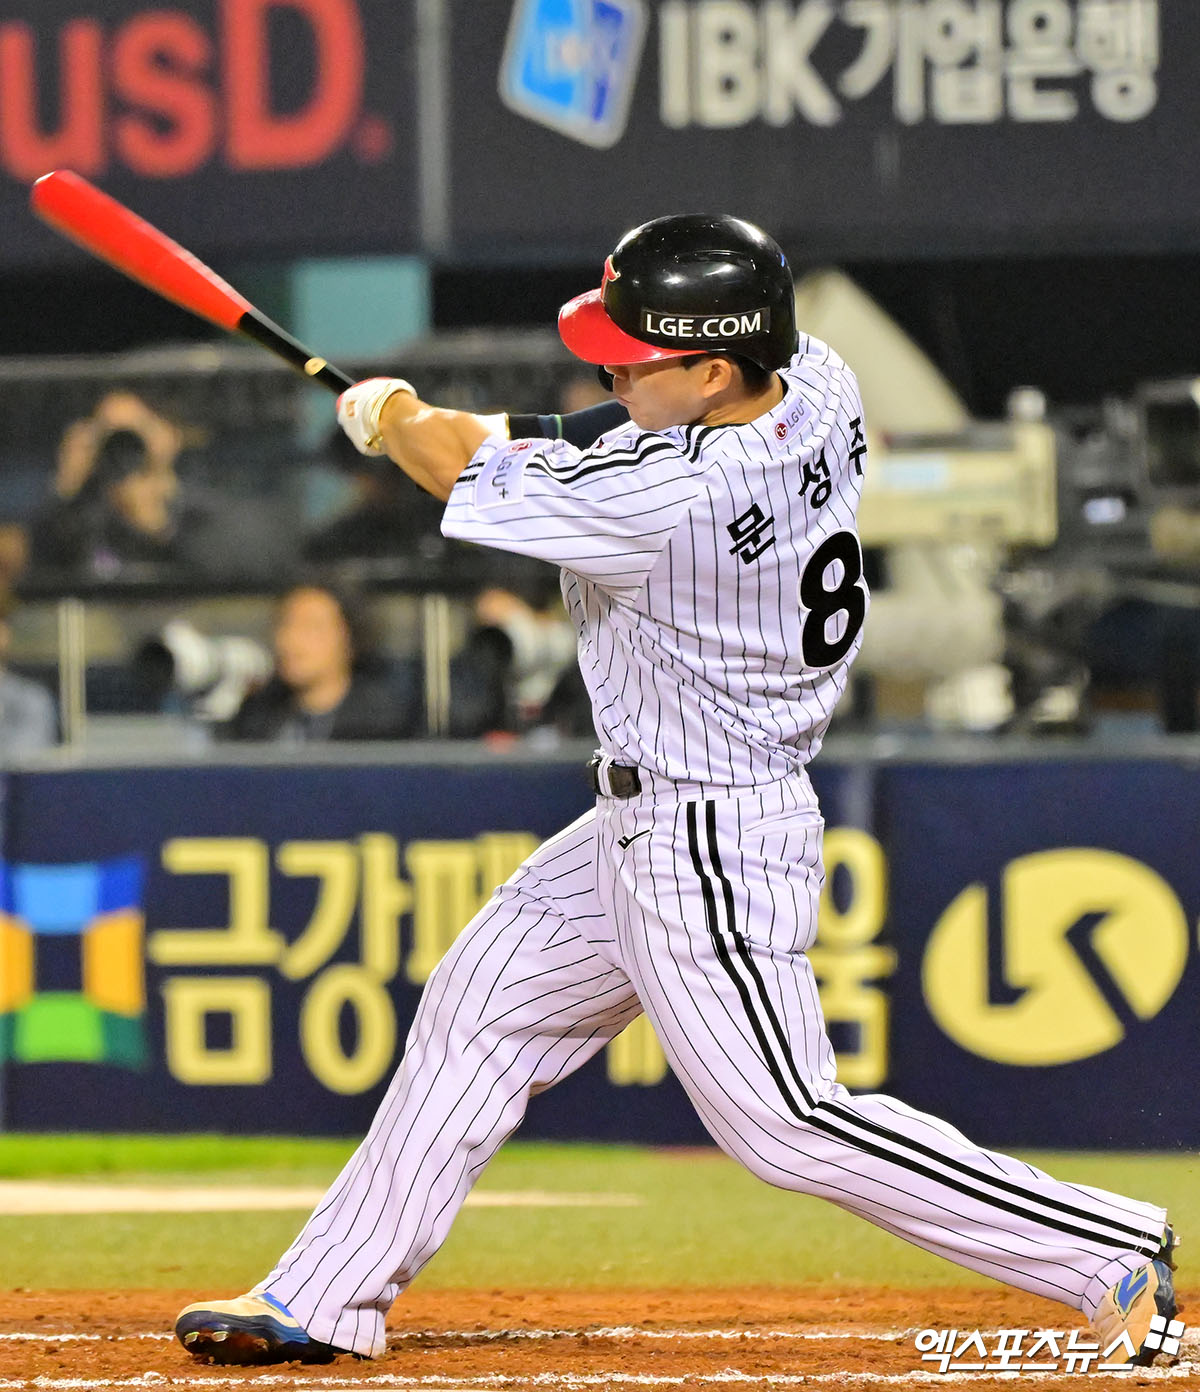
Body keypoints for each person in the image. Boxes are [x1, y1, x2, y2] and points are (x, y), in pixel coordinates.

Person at [174, 215, 1177, 1368]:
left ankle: (1102, 1242)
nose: (608, 373)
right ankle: (325, 1294)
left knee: (786, 1123)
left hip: (707, 830)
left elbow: (467, 470)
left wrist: (398, 417)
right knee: (480, 1008)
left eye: (635, 356)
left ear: (712, 370)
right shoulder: (815, 380)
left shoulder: (673, 501)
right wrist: (432, 422)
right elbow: (587, 436)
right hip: (645, 816)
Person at [30, 392, 289, 582]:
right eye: (109, 434)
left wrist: (161, 531)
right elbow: (39, 574)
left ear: (170, 435)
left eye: (134, 432)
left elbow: (230, 574)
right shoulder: (82, 517)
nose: (124, 445)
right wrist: (64, 490)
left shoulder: (204, 511)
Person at [222, 582, 420, 743]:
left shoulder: (382, 727)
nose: (290, 640)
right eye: (285, 624)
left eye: (311, 627)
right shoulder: (256, 719)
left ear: (349, 638)